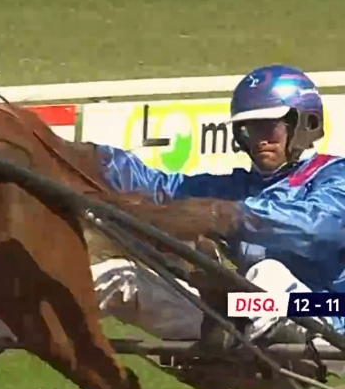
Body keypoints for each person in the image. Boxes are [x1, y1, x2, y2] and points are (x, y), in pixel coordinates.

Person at [91, 64, 345, 344]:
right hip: (243, 310)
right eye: (248, 130)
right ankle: (39, 315)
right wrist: (90, 157)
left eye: (268, 127)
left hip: (329, 311)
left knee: (266, 274)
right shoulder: (235, 188)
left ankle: (242, 336)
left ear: (303, 124)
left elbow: (317, 226)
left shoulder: (335, 175)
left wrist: (224, 215)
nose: (259, 140)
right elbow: (162, 187)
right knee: (119, 276)